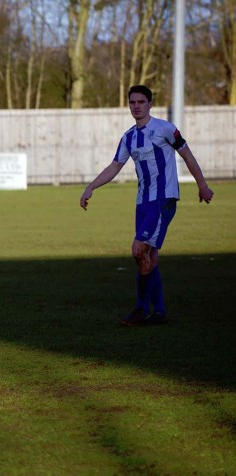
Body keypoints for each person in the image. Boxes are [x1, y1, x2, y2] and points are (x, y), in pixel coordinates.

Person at [80, 85, 214, 326]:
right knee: (149, 256)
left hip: (163, 199)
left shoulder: (165, 129)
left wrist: (202, 185)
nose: (136, 106)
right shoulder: (129, 137)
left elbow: (187, 155)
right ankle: (159, 312)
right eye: (132, 102)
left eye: (141, 101)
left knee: (138, 250)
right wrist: (91, 187)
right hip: (142, 202)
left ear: (150, 104)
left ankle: (141, 309)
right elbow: (114, 167)